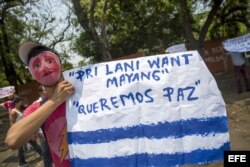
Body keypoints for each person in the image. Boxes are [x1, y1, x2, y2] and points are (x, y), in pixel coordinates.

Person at [5, 41, 75, 167]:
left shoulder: (85, 93)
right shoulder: (37, 108)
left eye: (49, 61)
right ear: (32, 74)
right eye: (36, 65)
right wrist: (55, 101)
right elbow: (12, 140)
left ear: (61, 65)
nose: (44, 68)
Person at [9, 95, 43, 167]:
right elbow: (12, 123)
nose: (22, 103)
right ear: (17, 103)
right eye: (20, 102)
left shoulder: (20, 109)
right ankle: (21, 163)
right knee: (21, 148)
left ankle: (43, 154)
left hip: (24, 130)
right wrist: (15, 133)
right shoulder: (13, 112)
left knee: (33, 143)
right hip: (19, 132)